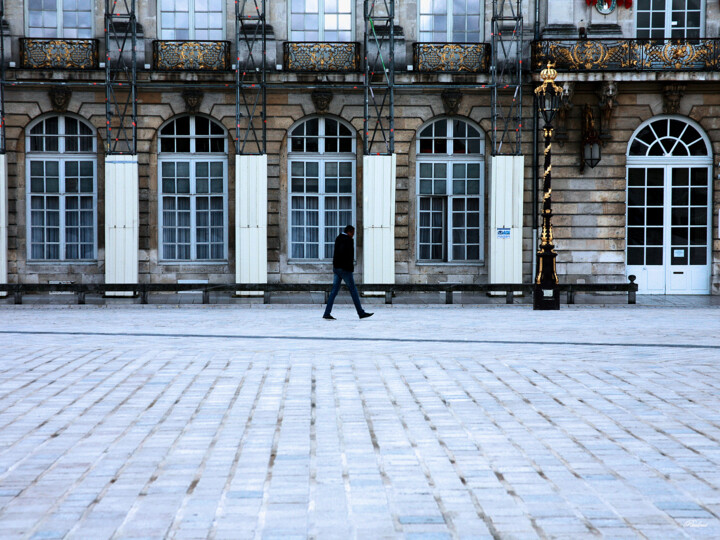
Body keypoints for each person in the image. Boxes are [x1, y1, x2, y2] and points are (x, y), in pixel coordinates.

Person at [323, 225, 373, 320]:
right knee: (353, 291)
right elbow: (348, 255)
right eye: (353, 233)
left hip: (337, 268)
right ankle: (361, 313)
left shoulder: (338, 238)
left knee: (334, 291)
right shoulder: (348, 240)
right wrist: (349, 267)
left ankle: (327, 313)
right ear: (349, 232)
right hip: (345, 269)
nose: (353, 235)